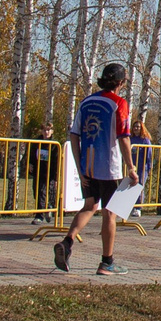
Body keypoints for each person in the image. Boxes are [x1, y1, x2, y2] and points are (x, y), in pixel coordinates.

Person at [56, 62, 133, 274]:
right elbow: (124, 137)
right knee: (110, 213)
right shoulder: (119, 103)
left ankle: (67, 242)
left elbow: (74, 135)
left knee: (89, 206)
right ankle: (107, 262)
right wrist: (131, 167)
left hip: (87, 166)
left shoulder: (86, 102)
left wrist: (79, 165)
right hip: (109, 168)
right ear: (121, 83)